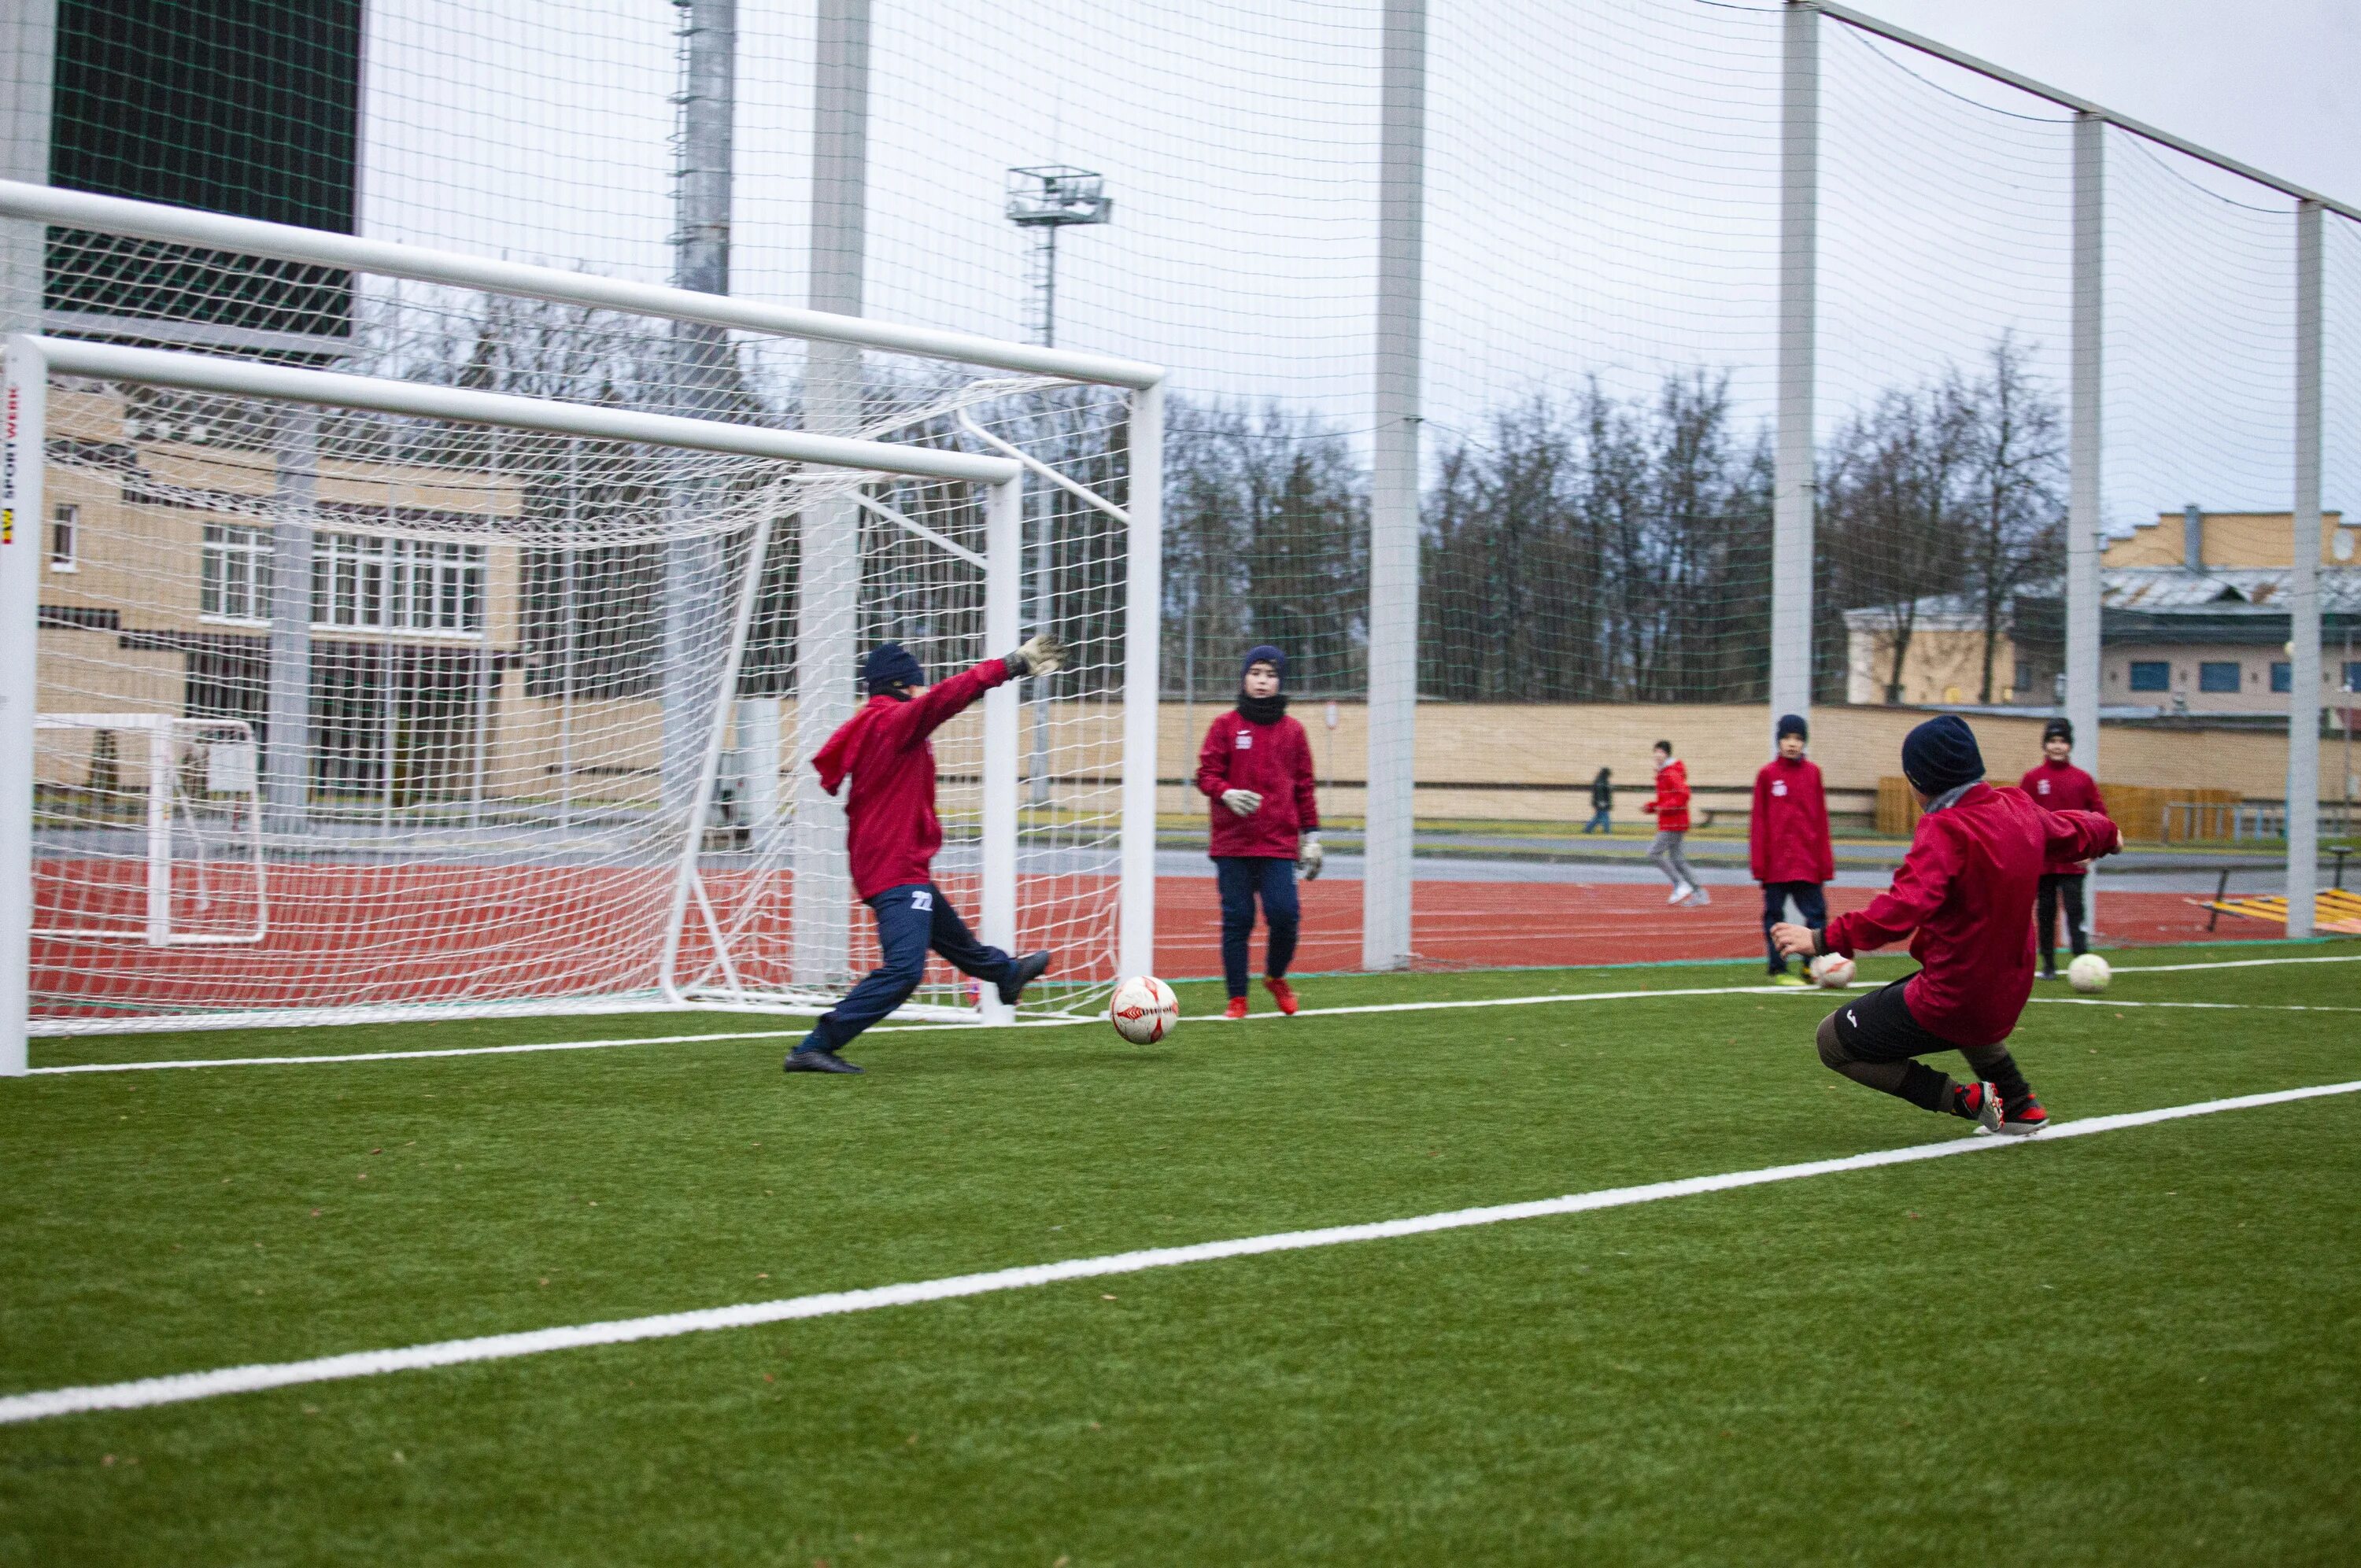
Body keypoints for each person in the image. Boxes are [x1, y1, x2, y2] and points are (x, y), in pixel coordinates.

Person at [1772, 715, 2121, 1135]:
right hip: (2008, 987)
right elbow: (2074, 827)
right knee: (1957, 997)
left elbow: (1903, 908)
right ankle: (2018, 1102)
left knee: (1832, 1041)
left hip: (1957, 996)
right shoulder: (2016, 806)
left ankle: (1970, 1102)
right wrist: (2108, 833)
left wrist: (1821, 938)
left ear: (1921, 780)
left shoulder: (1945, 828)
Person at [783, 635, 1065, 1075]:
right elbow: (948, 697)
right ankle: (816, 1045)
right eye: (917, 683)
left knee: (953, 938)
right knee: (904, 971)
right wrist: (1010, 665)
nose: (923, 690)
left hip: (892, 860)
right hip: (894, 865)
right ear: (901, 685)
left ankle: (1005, 975)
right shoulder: (895, 720)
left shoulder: (877, 720)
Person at [1196, 644, 1321, 1020]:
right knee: (1239, 919)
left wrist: (1312, 837)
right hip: (1232, 843)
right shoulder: (1225, 726)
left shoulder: (1294, 731)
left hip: (1279, 843)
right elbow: (1206, 775)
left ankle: (1275, 976)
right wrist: (1227, 793)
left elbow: (1304, 786)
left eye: (1270, 675)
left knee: (1285, 914)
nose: (1262, 681)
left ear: (1280, 681)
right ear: (1244, 678)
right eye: (1255, 674)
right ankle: (1238, 998)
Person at [2019, 717, 2110, 980]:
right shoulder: (2033, 779)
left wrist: (2090, 851)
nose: (2057, 747)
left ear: (2070, 746)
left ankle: (2083, 962)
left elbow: (2099, 816)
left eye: (2062, 741)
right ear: (2045, 745)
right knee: (2045, 913)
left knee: (2075, 912)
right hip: (2044, 862)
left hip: (2073, 861)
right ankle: (2048, 964)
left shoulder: (2082, 779)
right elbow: (2022, 817)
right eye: (2052, 741)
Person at [1752, 714, 1833, 985]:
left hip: (1807, 863)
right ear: (1779, 741)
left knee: (1817, 915)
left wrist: (1824, 864)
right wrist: (1759, 864)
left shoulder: (1813, 774)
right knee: (1775, 917)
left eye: (1798, 738)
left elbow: (1821, 820)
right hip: (1776, 864)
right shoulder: (1767, 775)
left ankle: (1812, 966)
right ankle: (1778, 968)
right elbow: (1759, 822)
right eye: (1787, 738)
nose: (1792, 744)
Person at [1642, 740, 1706, 906]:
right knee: (1677, 859)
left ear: (1667, 754)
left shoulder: (1670, 773)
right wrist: (1651, 807)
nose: (1657, 755)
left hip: (1674, 822)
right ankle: (1700, 893)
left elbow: (1684, 795)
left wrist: (1663, 807)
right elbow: (1667, 799)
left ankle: (1680, 884)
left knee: (1653, 853)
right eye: (1655, 752)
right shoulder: (1664, 773)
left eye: (1660, 752)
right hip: (1673, 821)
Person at [1583, 767, 1614, 834]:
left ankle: (1587, 830)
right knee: (1605, 817)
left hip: (1602, 803)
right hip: (1601, 803)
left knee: (1598, 818)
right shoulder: (1600, 781)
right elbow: (1600, 793)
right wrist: (1601, 802)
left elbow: (1606, 790)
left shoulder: (1602, 781)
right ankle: (1607, 831)